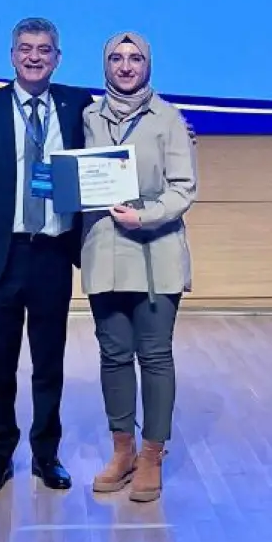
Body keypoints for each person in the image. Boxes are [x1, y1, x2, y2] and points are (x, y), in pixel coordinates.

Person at [0, 18, 93, 494]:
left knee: (49, 363)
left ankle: (46, 456)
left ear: (57, 58)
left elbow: (125, 126)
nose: (34, 57)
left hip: (53, 253)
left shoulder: (77, 105)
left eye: (44, 49)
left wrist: (178, 130)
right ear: (12, 56)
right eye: (26, 48)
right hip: (0, 254)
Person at [82, 32, 197, 503]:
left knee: (154, 355)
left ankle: (152, 455)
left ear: (148, 64)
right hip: (105, 252)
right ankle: (122, 450)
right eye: (116, 58)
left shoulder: (169, 119)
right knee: (113, 355)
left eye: (135, 58)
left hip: (156, 252)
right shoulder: (87, 117)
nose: (125, 66)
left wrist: (144, 216)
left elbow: (183, 188)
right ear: (105, 64)